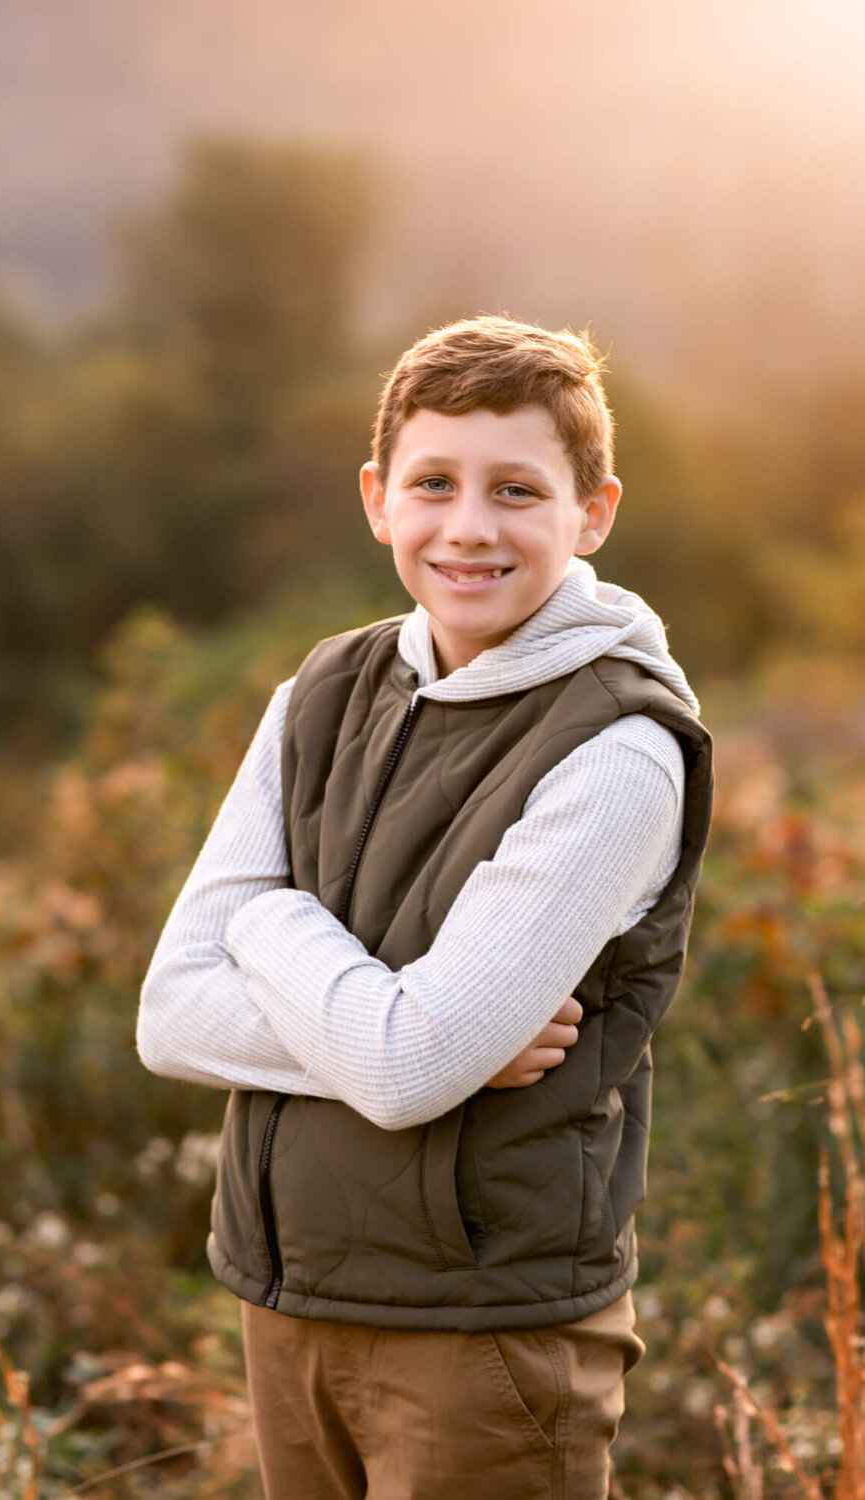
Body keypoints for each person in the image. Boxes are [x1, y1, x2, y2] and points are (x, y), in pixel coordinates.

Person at [137, 315, 714, 1500]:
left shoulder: (620, 747)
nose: (468, 527)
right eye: (434, 483)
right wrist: (401, 1034)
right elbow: (173, 1015)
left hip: (483, 1339)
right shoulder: (321, 691)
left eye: (517, 490)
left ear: (592, 511)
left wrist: (263, 921)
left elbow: (409, 1069)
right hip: (288, 1301)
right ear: (376, 497)